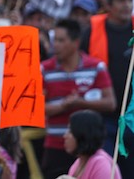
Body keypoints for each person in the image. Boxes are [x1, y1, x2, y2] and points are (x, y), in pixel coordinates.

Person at [40, 18, 115, 178]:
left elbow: (111, 103)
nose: (56, 45)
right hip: (55, 145)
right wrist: (64, 106)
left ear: (76, 42)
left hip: (87, 149)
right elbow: (35, 108)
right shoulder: (44, 69)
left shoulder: (96, 67)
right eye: (55, 40)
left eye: (61, 40)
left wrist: (80, 102)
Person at [81, 0, 134, 177]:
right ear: (108, 5)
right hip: (103, 118)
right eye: (121, 0)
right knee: (106, 170)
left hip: (132, 117)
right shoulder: (91, 31)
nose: (127, 5)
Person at [63, 110, 122, 179]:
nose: (65, 136)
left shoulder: (101, 164)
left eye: (70, 131)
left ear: (82, 135)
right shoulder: (79, 162)